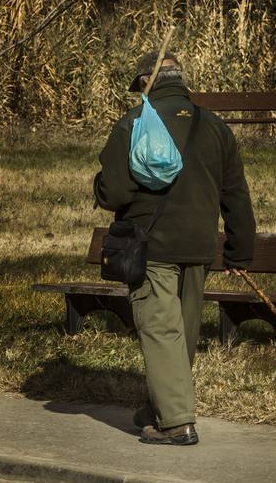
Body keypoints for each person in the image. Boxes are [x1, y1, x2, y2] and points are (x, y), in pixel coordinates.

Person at [93, 50, 255, 446]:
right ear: (180, 81)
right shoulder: (215, 126)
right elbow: (235, 193)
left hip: (154, 244)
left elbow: (113, 192)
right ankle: (158, 408)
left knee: (161, 331)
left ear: (147, 81)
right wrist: (239, 250)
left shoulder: (134, 123)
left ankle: (177, 424)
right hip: (199, 247)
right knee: (182, 333)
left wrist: (98, 185)